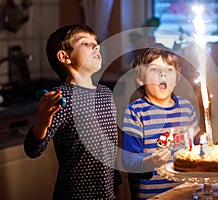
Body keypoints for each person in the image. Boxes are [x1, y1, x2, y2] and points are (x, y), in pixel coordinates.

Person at [24, 24, 119, 199]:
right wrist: (43, 121)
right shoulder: (61, 98)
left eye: (95, 43)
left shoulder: (106, 93)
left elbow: (108, 148)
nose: (96, 46)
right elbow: (33, 150)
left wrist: (115, 187)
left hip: (107, 194)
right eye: (85, 43)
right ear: (64, 56)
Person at [122, 45, 201, 200]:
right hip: (152, 196)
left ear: (177, 78)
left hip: (186, 193)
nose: (163, 74)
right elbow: (129, 160)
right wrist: (149, 162)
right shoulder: (136, 112)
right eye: (154, 70)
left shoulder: (186, 108)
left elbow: (198, 149)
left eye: (169, 70)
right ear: (140, 79)